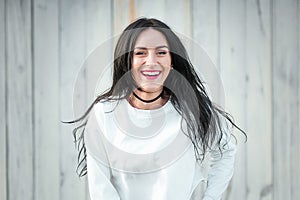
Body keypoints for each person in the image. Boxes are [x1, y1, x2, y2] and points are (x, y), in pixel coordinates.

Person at [70, 18, 245, 200]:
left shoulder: (193, 111)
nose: (152, 61)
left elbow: (225, 151)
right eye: (140, 53)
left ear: (172, 60)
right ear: (127, 60)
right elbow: (101, 189)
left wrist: (210, 197)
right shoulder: (104, 114)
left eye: (161, 52)